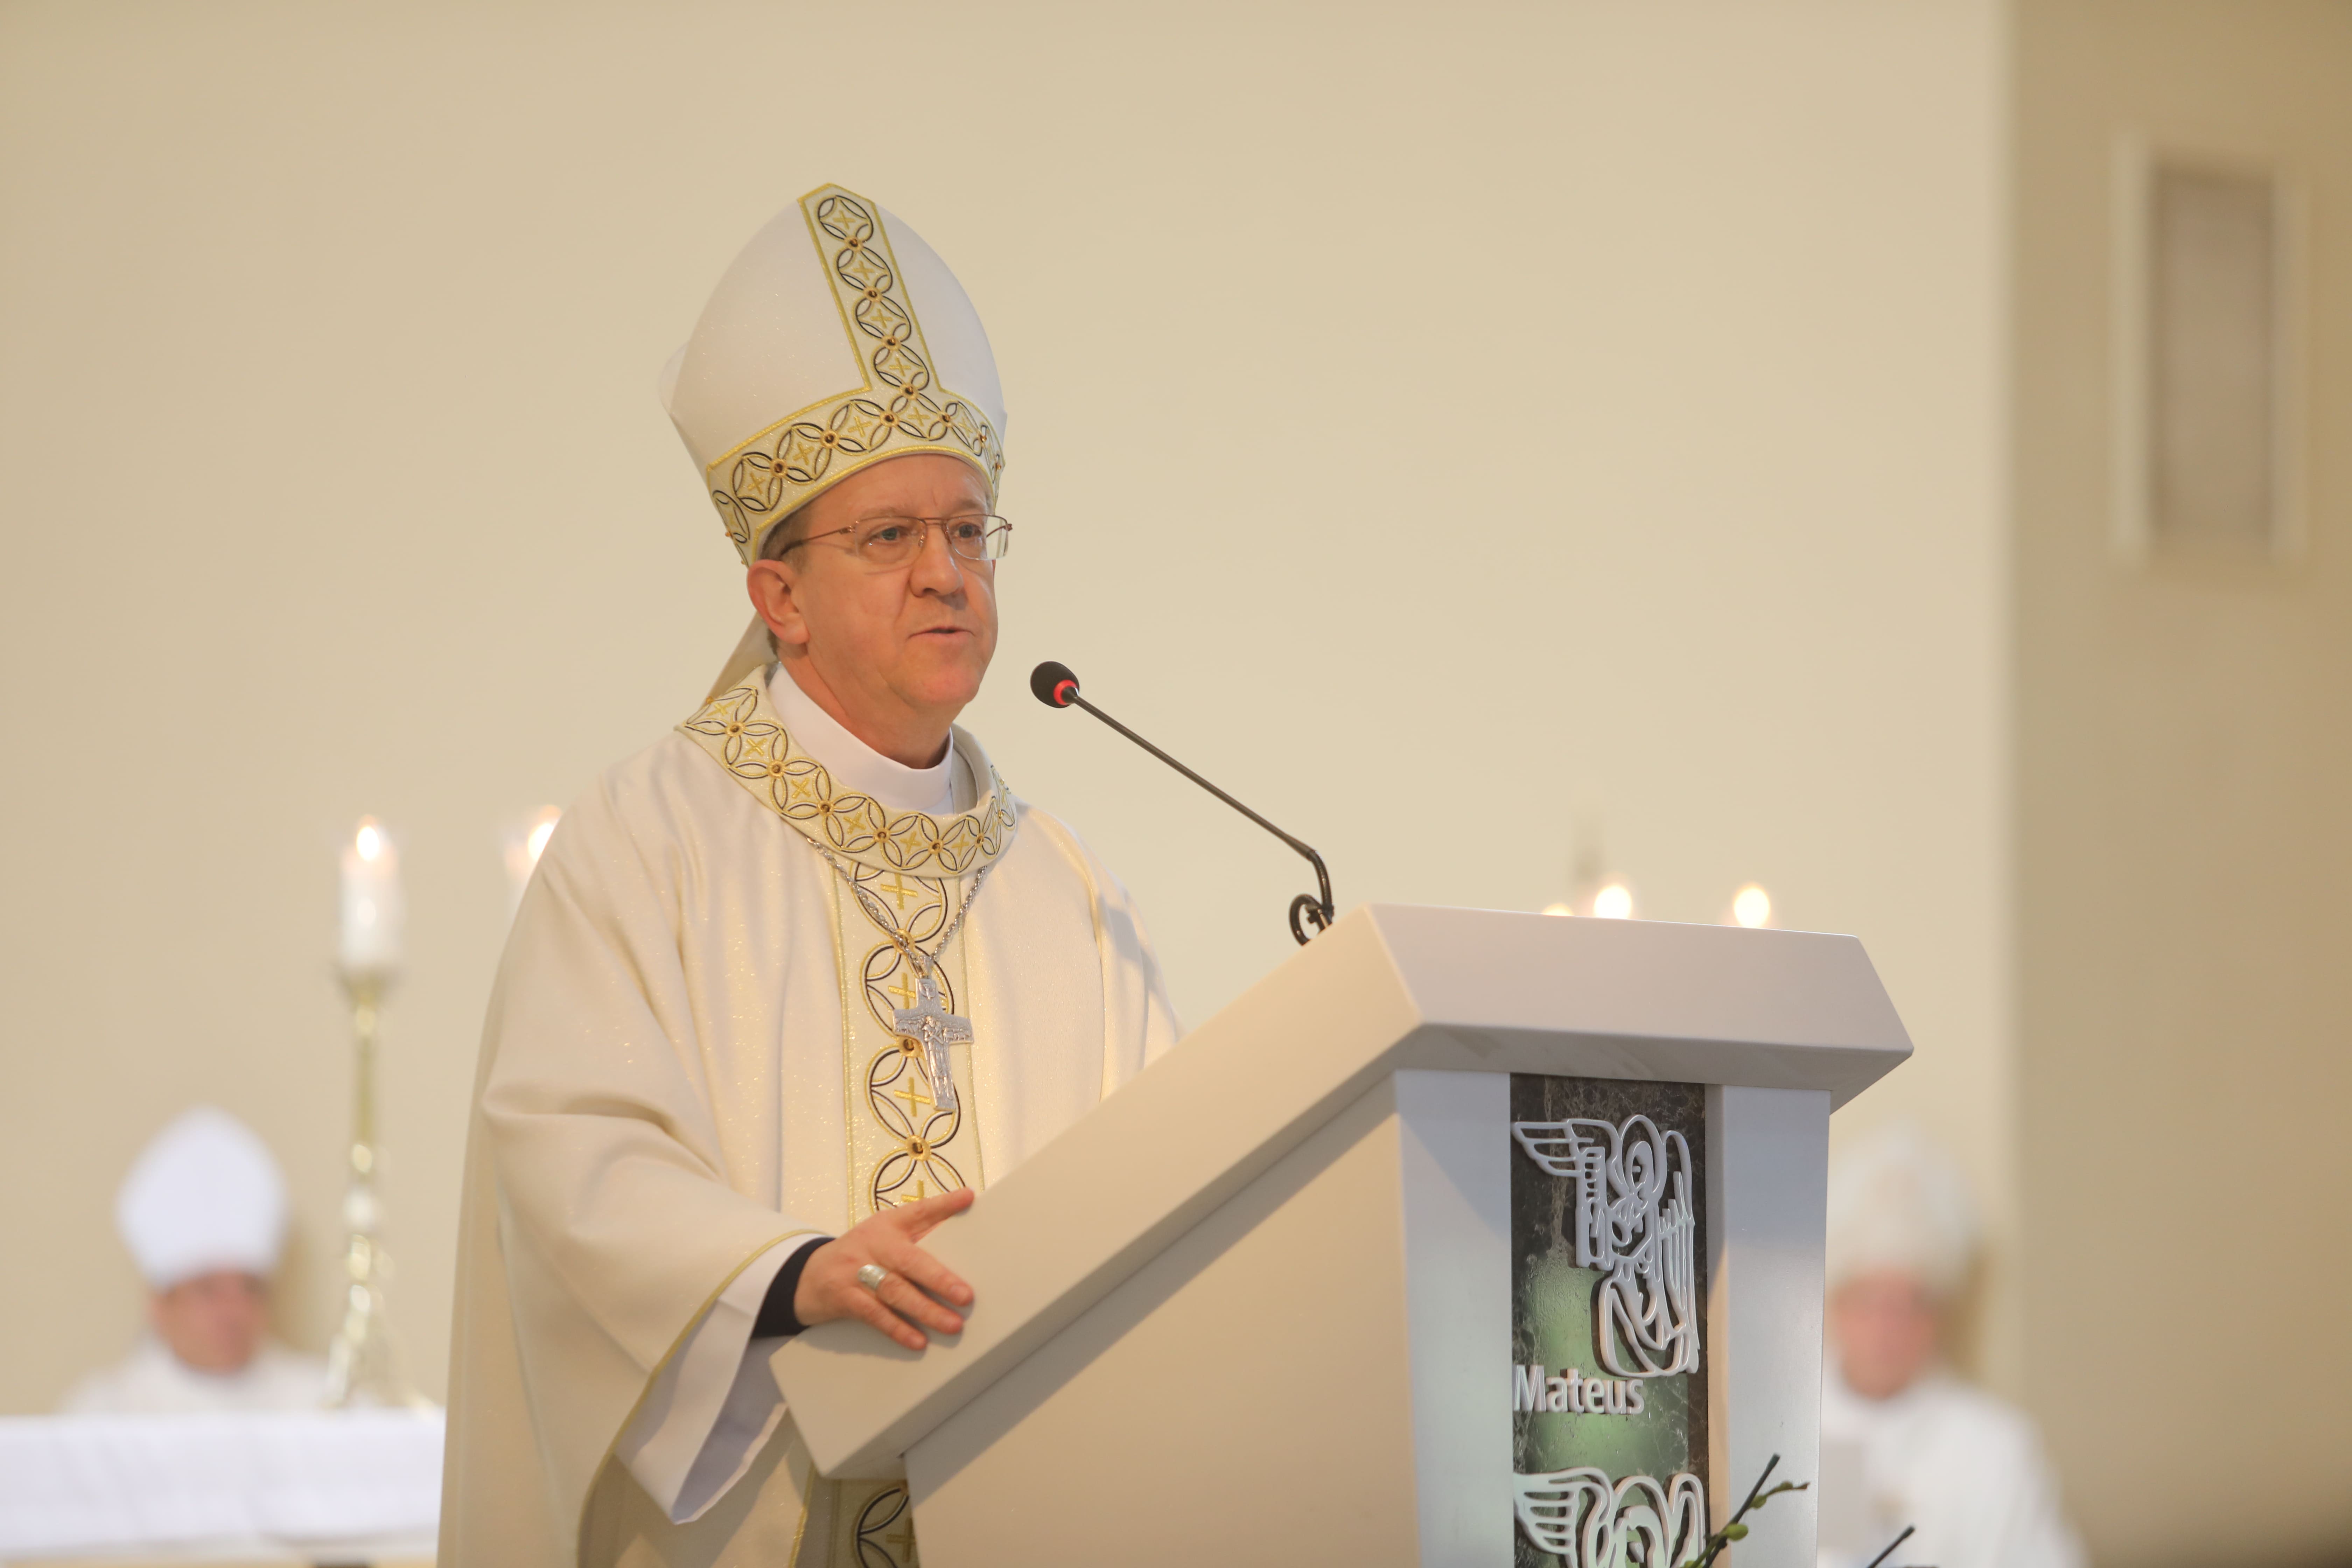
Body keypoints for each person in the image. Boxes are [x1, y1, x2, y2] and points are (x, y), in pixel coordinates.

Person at [439, 183, 1178, 1568]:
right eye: (890, 536)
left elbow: (1171, 1191)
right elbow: (570, 1155)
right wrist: (785, 1274)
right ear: (777, 597)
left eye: (970, 530)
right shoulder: (648, 840)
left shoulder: (1066, 890)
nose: (947, 574)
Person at [1816, 1124, 2084, 1568]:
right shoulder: (1788, 1433)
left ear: (1940, 1314)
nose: (1889, 1326)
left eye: (1912, 1303)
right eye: (1870, 1300)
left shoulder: (1996, 1448)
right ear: (1835, 1305)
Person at [61, 1107, 327, 1414]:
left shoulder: (322, 1403)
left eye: (250, 1288)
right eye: (208, 1290)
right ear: (159, 1304)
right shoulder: (103, 1413)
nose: (234, 1312)